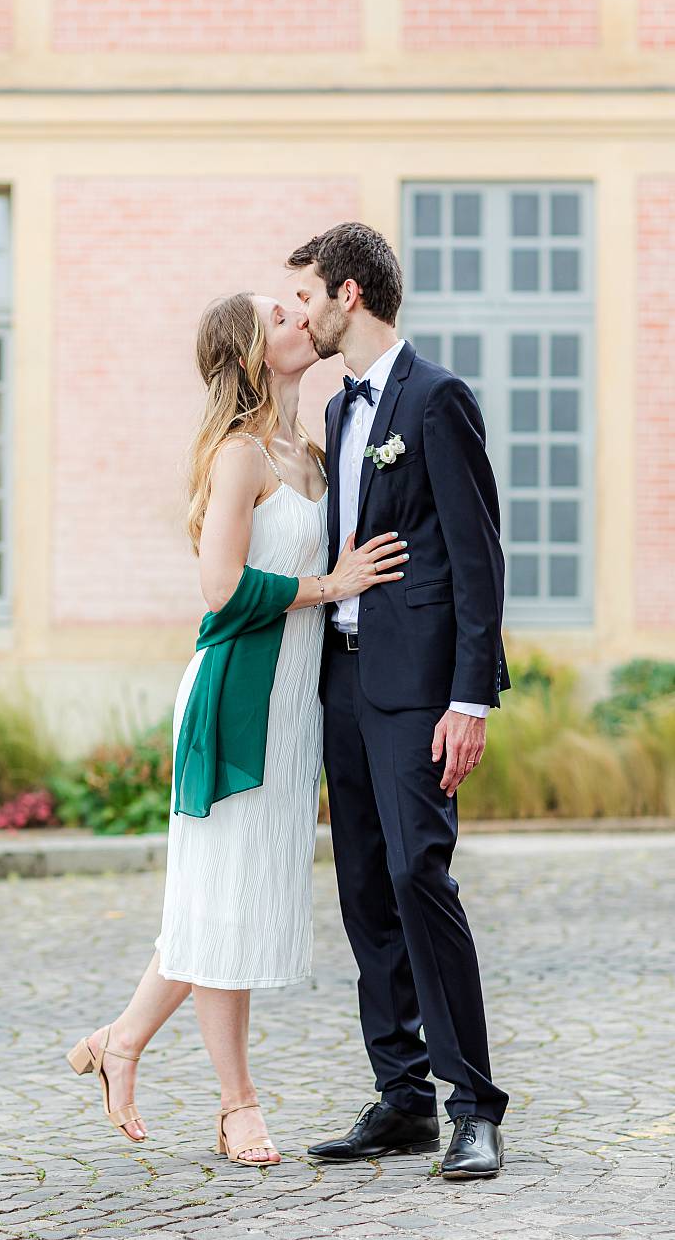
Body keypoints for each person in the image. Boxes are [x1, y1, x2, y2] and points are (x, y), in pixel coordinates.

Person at [67, 290, 406, 1165]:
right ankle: (236, 1104)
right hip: (237, 699)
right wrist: (331, 586)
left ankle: (121, 1042)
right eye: (281, 316)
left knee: (234, 900)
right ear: (255, 353)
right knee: (222, 900)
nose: (301, 317)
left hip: (295, 711)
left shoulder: (314, 452)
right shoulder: (239, 455)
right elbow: (220, 588)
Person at [286, 221, 511, 1181]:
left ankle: (475, 1106)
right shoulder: (339, 410)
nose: (300, 314)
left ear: (349, 293)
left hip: (418, 689)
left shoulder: (436, 398)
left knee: (421, 873)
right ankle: (402, 1096)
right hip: (341, 682)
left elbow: (477, 557)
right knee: (364, 888)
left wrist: (471, 699)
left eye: (306, 296)